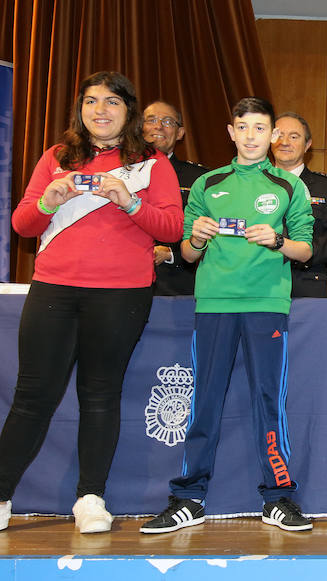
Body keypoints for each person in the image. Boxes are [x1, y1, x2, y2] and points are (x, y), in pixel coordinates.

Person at [0, 71, 183, 533]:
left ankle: (91, 499)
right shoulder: (57, 157)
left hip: (121, 295)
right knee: (32, 397)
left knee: (100, 396)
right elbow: (22, 224)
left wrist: (129, 203)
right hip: (55, 290)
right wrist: (48, 201)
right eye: (90, 101)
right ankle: (1, 497)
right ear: (80, 110)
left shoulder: (152, 164)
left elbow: (171, 229)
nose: (100, 110)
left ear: (129, 111)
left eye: (112, 102)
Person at [141, 97, 315, 534]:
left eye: (261, 128)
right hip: (215, 304)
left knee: (267, 402)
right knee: (205, 401)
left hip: (266, 305)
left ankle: (277, 497)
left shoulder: (289, 187)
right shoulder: (206, 184)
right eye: (244, 127)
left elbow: (306, 249)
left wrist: (277, 241)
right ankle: (188, 497)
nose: (252, 136)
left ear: (272, 135)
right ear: (231, 131)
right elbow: (187, 253)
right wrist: (195, 239)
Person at [271, 112, 327, 297]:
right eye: (279, 135)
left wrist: (302, 254)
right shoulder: (254, 183)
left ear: (307, 145)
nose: (285, 142)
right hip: (260, 280)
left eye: (294, 136)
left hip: (306, 279)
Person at [143, 100, 208, 296]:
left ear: (180, 133)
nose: (158, 126)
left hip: (176, 287)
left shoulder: (198, 179)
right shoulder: (119, 172)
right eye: (151, 120)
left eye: (168, 121)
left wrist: (172, 255)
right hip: (121, 282)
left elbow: (211, 236)